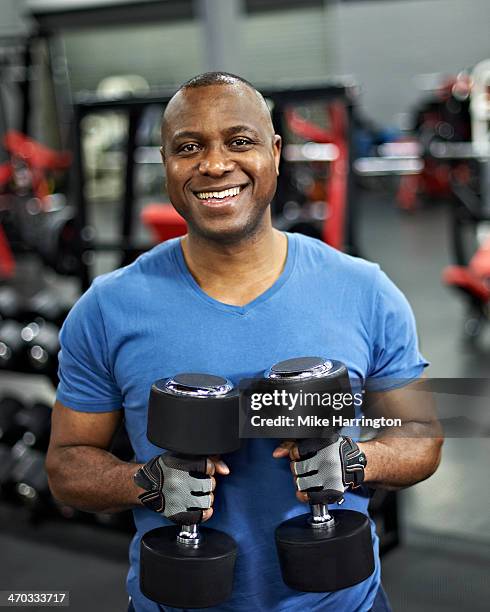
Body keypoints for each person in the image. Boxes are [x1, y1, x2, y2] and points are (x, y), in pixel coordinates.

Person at [46, 72, 443, 612]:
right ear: (165, 162)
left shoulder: (365, 290)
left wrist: (356, 462)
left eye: (240, 141)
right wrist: (145, 482)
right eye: (189, 148)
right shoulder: (106, 309)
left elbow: (423, 435)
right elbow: (67, 466)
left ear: (275, 153)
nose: (214, 165)